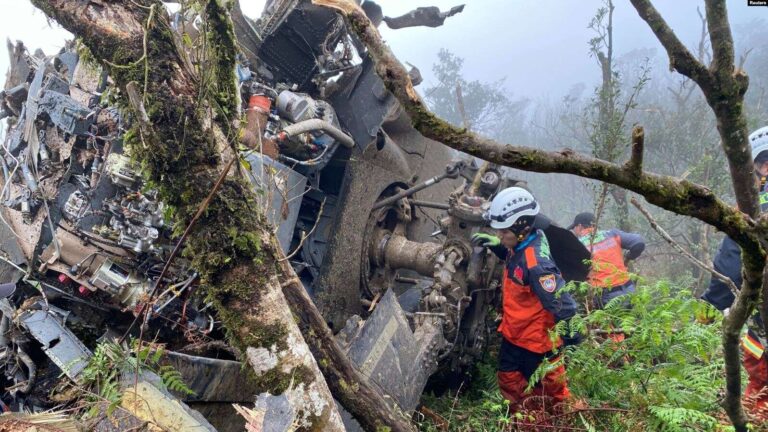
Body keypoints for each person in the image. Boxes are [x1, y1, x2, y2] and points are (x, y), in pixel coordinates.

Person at [471, 187, 579, 407]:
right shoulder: (522, 242)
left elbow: (563, 305)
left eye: (503, 233)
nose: (499, 236)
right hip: (515, 333)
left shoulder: (538, 265)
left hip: (537, 343)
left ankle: (558, 421)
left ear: (523, 227)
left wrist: (572, 338)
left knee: (552, 393)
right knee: (509, 380)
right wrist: (499, 248)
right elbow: (516, 260)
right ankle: (523, 419)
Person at [702, 125, 768, 414]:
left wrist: (713, 301)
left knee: (760, 379)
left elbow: (732, 259)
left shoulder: (756, 205)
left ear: (761, 165)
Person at [567, 212, 645, 309]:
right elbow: (638, 242)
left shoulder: (576, 245)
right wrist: (629, 257)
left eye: (574, 228)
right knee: (631, 323)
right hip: (629, 289)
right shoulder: (612, 234)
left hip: (606, 296)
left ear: (579, 226)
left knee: (611, 324)